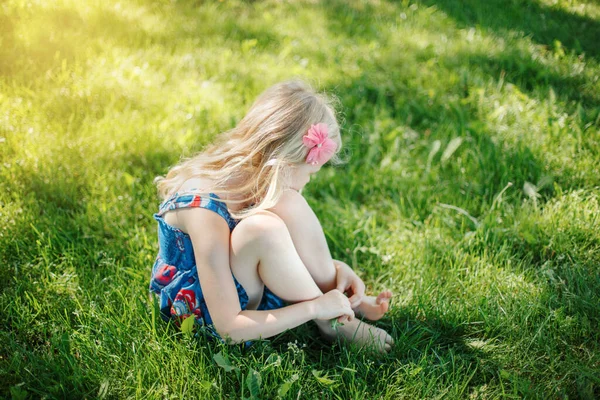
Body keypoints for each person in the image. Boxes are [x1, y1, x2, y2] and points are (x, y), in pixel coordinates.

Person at [149, 80, 394, 353]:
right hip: (205, 308)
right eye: (310, 174)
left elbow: (275, 250)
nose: (308, 184)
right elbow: (228, 327)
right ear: (282, 165)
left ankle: (340, 301)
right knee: (262, 229)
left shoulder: (257, 176)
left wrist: (334, 269)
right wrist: (313, 308)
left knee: (288, 203)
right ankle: (330, 320)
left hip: (241, 279)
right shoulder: (204, 211)